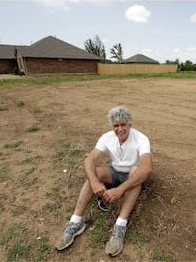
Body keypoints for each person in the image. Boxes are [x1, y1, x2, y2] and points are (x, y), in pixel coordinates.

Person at [54, 106, 152, 257]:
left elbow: (146, 168)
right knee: (95, 172)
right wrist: (94, 181)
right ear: (112, 126)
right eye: (116, 125)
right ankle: (76, 221)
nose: (120, 129)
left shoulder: (141, 138)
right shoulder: (106, 137)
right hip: (115, 172)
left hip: (133, 176)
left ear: (130, 125)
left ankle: (120, 225)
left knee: (135, 172)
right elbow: (89, 160)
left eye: (123, 124)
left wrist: (120, 190)